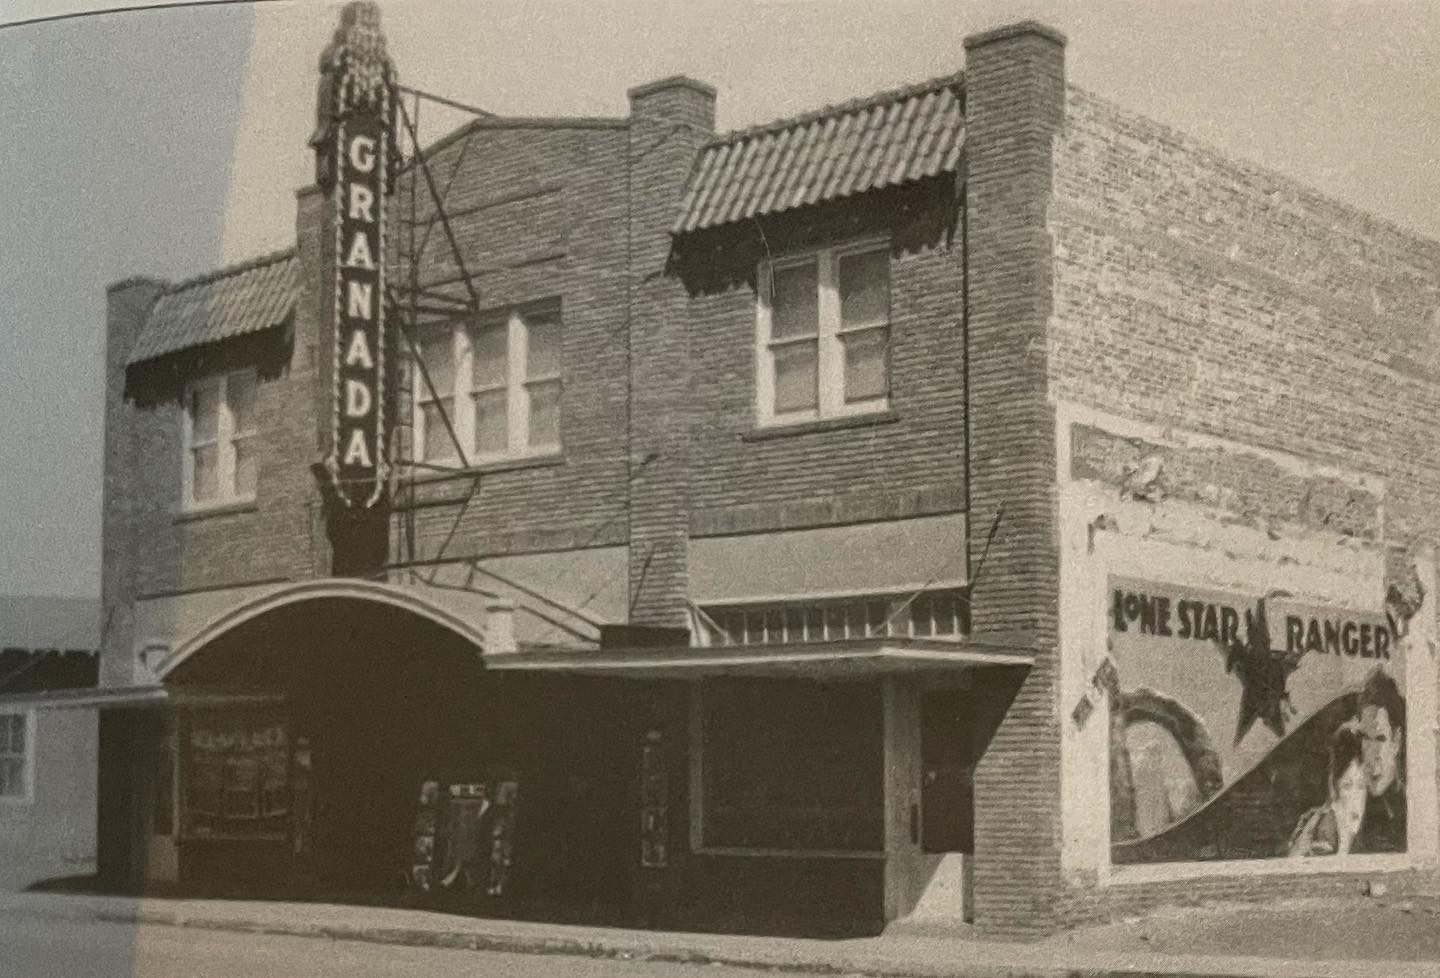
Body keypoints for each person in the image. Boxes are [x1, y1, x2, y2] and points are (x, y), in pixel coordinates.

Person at [1287, 722, 1369, 857]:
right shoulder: (1320, 831)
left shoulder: (1368, 834)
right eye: (1347, 786)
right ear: (1333, 786)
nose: (1356, 798)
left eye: (1361, 786)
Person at [1352, 669, 1407, 853]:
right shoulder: (1349, 807)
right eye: (1365, 738)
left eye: (1380, 738)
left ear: (1396, 740)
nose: (1371, 754)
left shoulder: (1411, 813)